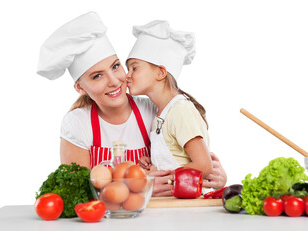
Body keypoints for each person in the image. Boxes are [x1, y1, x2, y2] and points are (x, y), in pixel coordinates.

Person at [37, 12, 226, 196]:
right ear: (80, 87)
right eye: (97, 76)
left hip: (158, 219)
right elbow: (77, 191)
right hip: (106, 223)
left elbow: (193, 161)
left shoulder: (155, 110)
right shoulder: (78, 122)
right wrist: (139, 186)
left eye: (116, 66)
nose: (115, 81)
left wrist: (215, 176)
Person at [126, 20, 213, 178]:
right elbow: (178, 158)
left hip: (190, 202)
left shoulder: (180, 110)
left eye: (134, 67)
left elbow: (204, 165)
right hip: (174, 200)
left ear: (160, 73)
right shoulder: (162, 113)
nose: (127, 75)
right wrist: (154, 163)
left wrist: (160, 175)